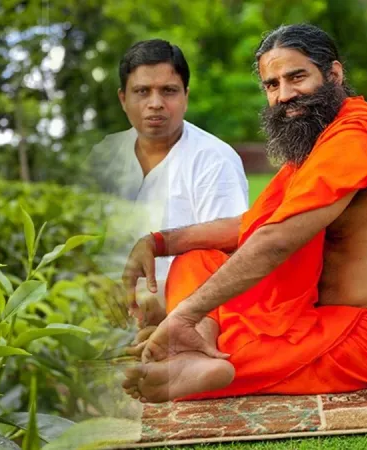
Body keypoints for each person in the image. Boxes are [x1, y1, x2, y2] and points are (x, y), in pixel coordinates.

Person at [120, 23, 367, 404]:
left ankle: (194, 353)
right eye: (272, 84)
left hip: (364, 339)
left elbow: (275, 241)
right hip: (313, 319)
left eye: (297, 77)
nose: (285, 95)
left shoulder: (355, 138)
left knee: (182, 341)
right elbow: (259, 226)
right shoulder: (321, 139)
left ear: (334, 74)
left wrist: (184, 315)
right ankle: (198, 347)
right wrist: (161, 241)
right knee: (195, 260)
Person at [85, 39, 249, 327]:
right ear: (123, 99)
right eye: (142, 91)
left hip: (189, 319)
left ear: (185, 95)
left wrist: (158, 298)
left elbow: (227, 259)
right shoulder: (105, 156)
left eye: (169, 91)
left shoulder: (213, 160)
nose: (155, 103)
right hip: (108, 314)